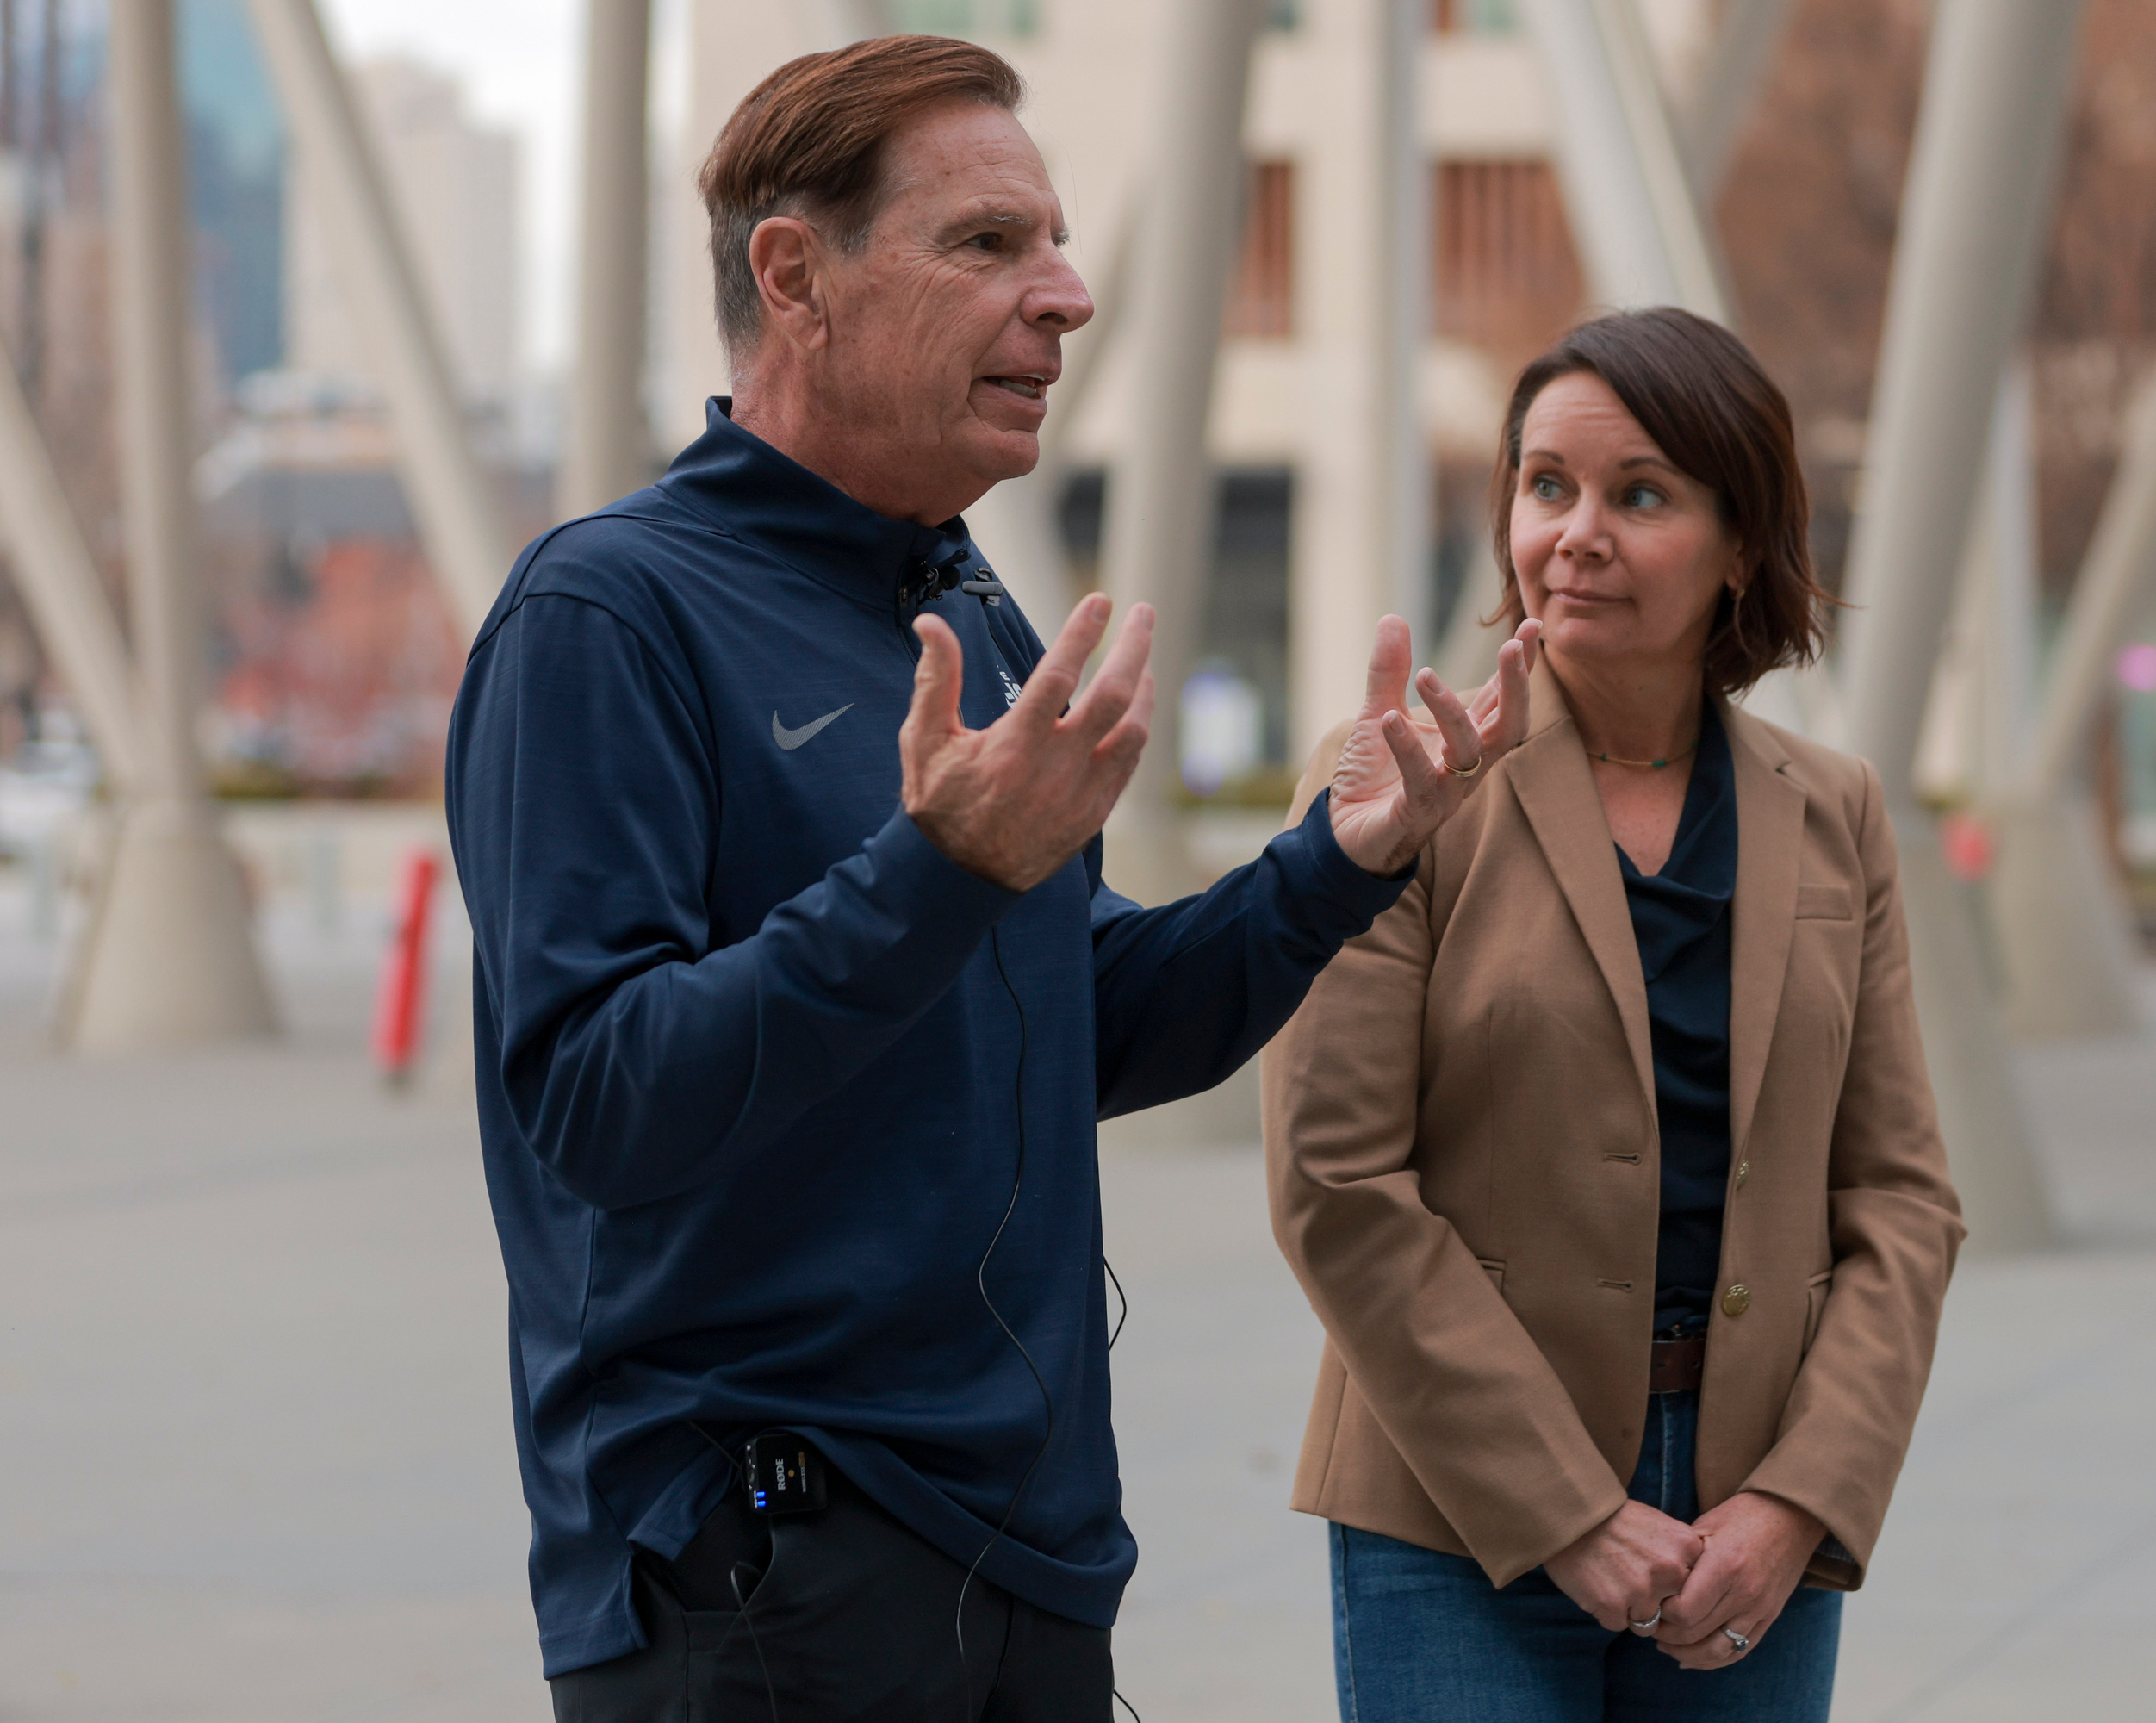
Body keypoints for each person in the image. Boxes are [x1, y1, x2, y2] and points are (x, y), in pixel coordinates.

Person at [447, 37, 1537, 1721]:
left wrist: (1334, 865)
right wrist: (937, 869)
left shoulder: (974, 615)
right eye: (989, 244)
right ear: (794, 277)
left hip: (1031, 1569)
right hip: (762, 1587)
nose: (1070, 295)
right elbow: (594, 1103)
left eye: (1059, 240)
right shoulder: (608, 616)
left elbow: (1079, 1028)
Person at [1262, 308, 1964, 1720]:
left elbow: (1899, 1199)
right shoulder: (1396, 786)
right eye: (1546, 486)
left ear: (1739, 546)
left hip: (1749, 1513)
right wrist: (1568, 1510)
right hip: (1452, 1499)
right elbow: (1336, 1182)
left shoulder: (1834, 814)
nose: (1575, 532)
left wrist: (1800, 1498)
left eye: (1639, 495)